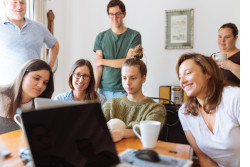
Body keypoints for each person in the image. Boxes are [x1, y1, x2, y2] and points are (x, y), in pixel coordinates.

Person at [176, 53, 240, 167]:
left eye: (188, 73)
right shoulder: (185, 112)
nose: (182, 81)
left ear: (207, 73)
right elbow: (204, 157)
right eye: (180, 77)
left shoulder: (235, 97)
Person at [102, 45, 166, 142]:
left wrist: (122, 132)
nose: (127, 83)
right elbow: (95, 128)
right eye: (124, 78)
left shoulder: (156, 108)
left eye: (133, 78)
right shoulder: (111, 104)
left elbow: (148, 131)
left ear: (143, 78)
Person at [0, 0, 59, 85]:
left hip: (34, 87)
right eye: (15, 2)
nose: (19, 6)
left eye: (22, 2)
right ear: (5, 3)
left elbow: (54, 45)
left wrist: (48, 69)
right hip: (5, 87)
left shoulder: (38, 27)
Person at [93, 0, 141, 100]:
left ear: (124, 14)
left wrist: (102, 61)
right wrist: (94, 90)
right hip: (103, 91)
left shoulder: (134, 36)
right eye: (111, 14)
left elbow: (128, 62)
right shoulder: (101, 37)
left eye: (118, 14)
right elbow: (98, 67)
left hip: (125, 91)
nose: (114, 18)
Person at [0, 59, 54, 134]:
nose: (40, 85)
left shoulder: (41, 107)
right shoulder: (1, 97)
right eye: (36, 78)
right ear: (22, 75)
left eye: (45, 82)